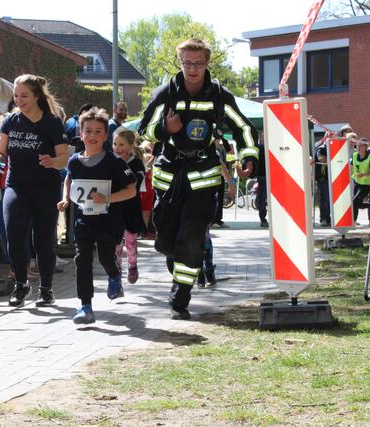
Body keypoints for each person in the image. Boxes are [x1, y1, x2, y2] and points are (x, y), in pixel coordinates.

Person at [138, 39, 259, 320]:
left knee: (192, 237)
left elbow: (243, 127)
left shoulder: (218, 95)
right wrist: (166, 129)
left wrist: (248, 156)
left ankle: (180, 297)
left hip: (204, 177)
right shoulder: (165, 93)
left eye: (199, 63)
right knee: (167, 241)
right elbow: (145, 129)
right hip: (169, 177)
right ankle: (179, 266)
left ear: (207, 63)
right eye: (187, 63)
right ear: (180, 62)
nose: (193, 69)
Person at [0, 74, 69, 307]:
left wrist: (52, 161)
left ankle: (46, 289)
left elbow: (64, 158)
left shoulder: (52, 123)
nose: (19, 100)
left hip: (45, 189)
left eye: (24, 95)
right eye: (16, 96)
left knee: (43, 239)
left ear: (36, 96)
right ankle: (21, 285)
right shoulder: (10, 121)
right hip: (16, 186)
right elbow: (0, 153)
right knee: (14, 235)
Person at [58, 108, 136, 324]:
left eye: (98, 131)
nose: (92, 135)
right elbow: (69, 179)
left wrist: (107, 198)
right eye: (88, 131)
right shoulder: (74, 161)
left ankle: (114, 275)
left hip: (108, 222)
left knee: (105, 258)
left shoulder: (114, 162)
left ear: (105, 136)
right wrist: (65, 198)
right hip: (83, 220)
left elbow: (131, 190)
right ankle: (86, 307)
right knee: (82, 260)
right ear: (80, 133)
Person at [112, 127, 146, 284]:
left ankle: (132, 265)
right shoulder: (110, 162)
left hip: (131, 208)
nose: (117, 148)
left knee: (130, 242)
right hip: (114, 208)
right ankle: (116, 274)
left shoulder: (136, 163)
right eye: (115, 144)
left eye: (121, 144)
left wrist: (122, 167)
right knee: (116, 245)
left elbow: (135, 182)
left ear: (131, 146)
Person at [351, 137, 370, 226]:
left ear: (365, 147)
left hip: (366, 184)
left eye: (360, 146)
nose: (358, 148)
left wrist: (363, 174)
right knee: (357, 203)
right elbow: (351, 167)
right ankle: (354, 221)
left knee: (355, 202)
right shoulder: (354, 155)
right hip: (357, 182)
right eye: (357, 146)